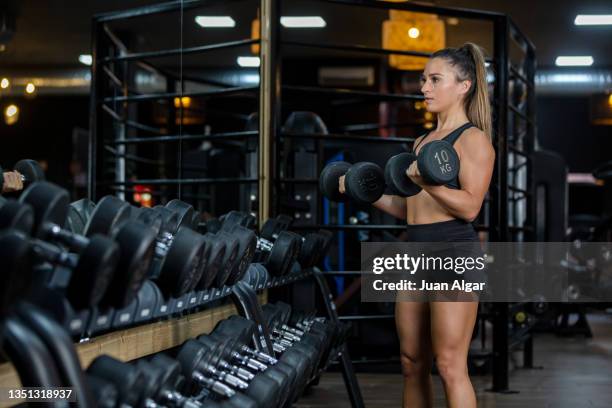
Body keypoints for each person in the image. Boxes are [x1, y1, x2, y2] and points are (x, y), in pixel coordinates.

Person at [340, 43, 495, 407]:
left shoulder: (474, 139)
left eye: (435, 80)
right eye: (424, 80)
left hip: (452, 251)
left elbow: (470, 207)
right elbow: (411, 209)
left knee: (450, 364)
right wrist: (366, 193)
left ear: (464, 85)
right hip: (413, 252)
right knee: (411, 362)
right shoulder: (422, 141)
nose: (424, 87)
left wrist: (428, 182)